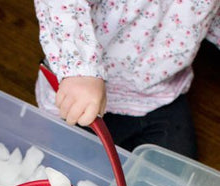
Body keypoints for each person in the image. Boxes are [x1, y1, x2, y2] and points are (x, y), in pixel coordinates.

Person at [34, 1, 220, 159]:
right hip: (83, 90)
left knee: (174, 181)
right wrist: (80, 69)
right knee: (75, 180)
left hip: (160, 92)